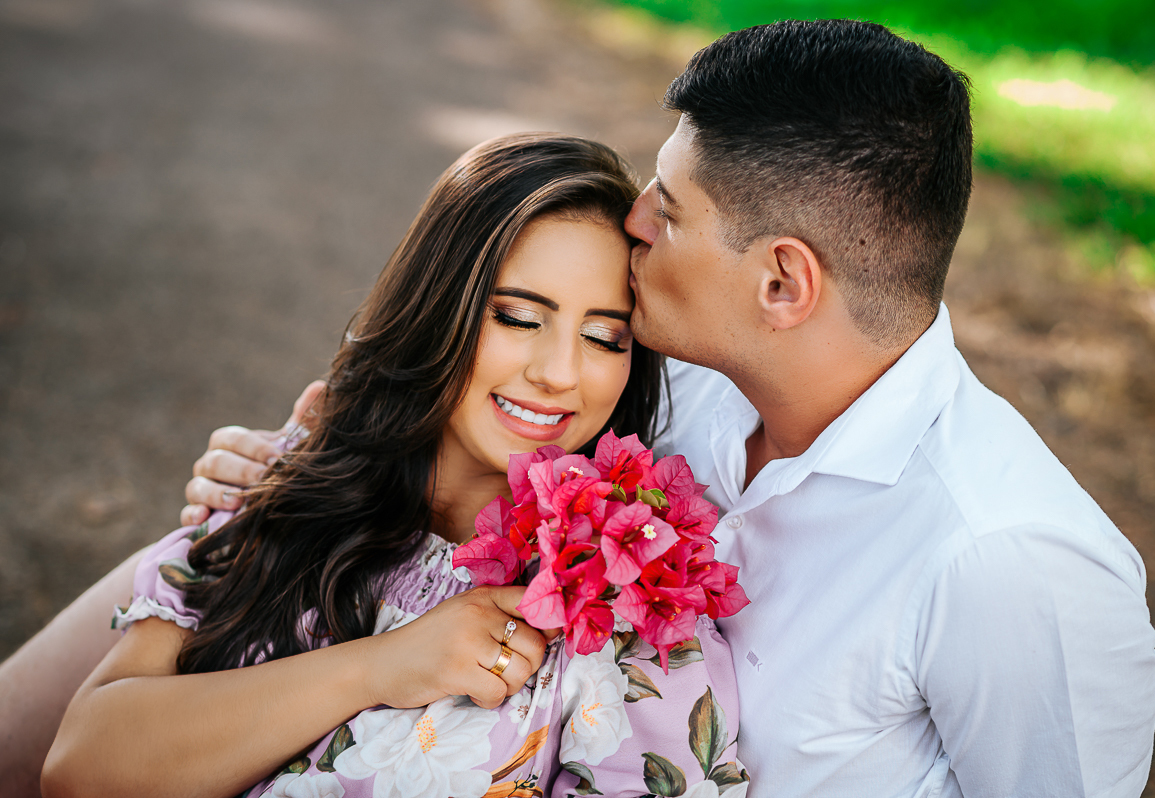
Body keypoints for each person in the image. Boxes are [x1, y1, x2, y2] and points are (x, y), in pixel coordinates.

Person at [4, 18, 1155, 797]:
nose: (636, 226)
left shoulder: (1010, 558)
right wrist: (297, 459)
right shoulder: (683, 377)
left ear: (783, 284)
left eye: (668, 206)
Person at [39, 133, 749, 798]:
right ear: (438, 307)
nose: (561, 373)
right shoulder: (288, 482)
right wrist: (382, 666)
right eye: (517, 318)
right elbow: (81, 769)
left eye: (603, 337)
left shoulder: (629, 613)